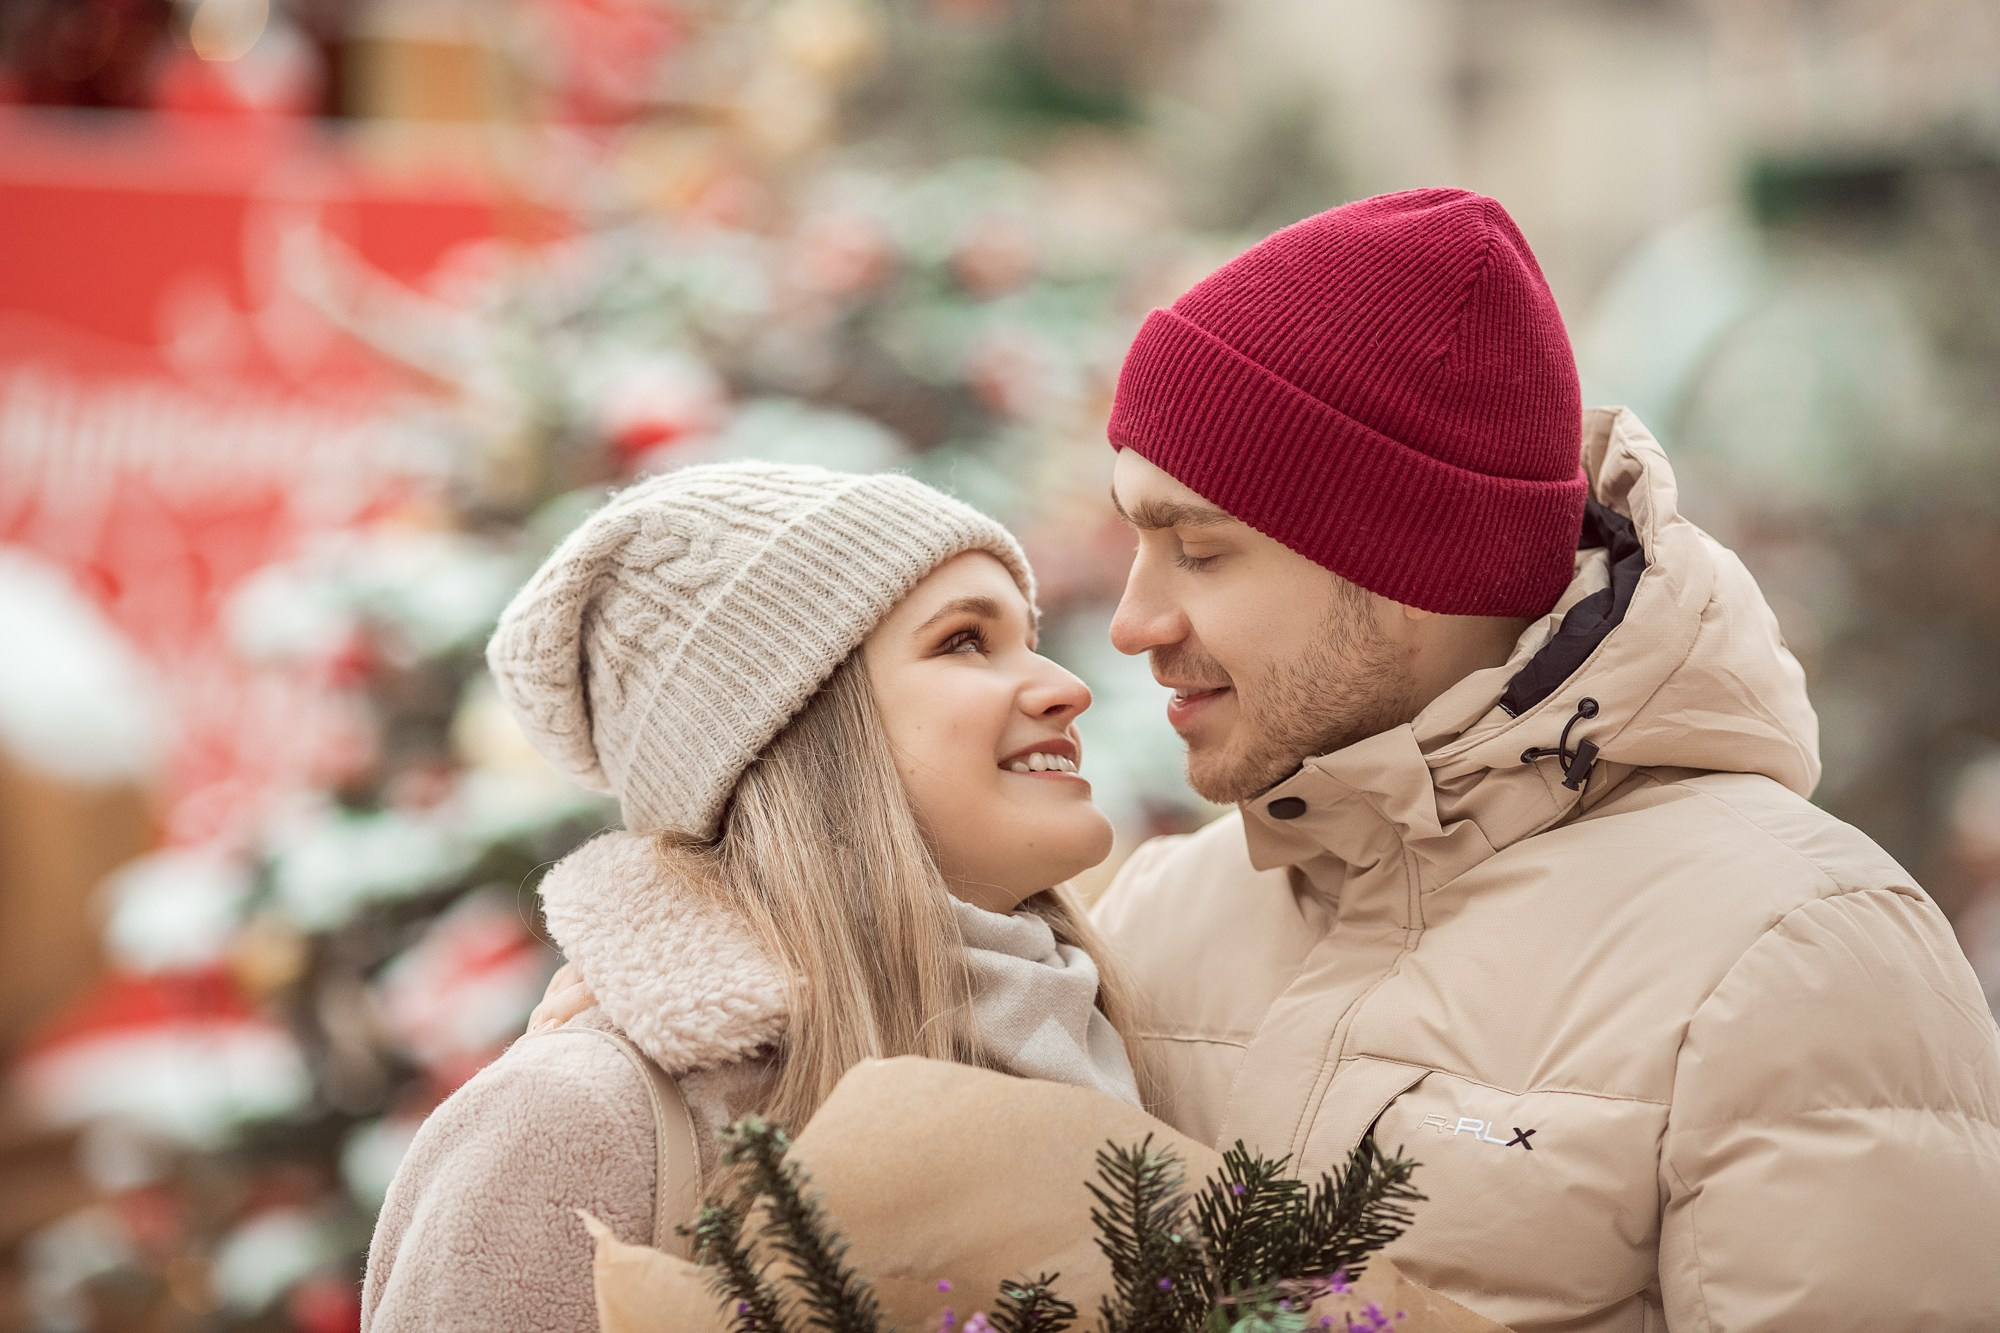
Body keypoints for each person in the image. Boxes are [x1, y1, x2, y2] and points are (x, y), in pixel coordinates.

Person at [1087, 189, 2000, 1329]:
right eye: (1134, 536)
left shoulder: (1796, 949)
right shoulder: (1161, 914)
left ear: (1407, 564)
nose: (1131, 621)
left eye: (1197, 550)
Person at [362, 462, 1146, 1333]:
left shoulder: (1123, 1039)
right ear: (796, 727)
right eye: (964, 640)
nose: (1066, 685)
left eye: (1029, 637)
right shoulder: (583, 1118)